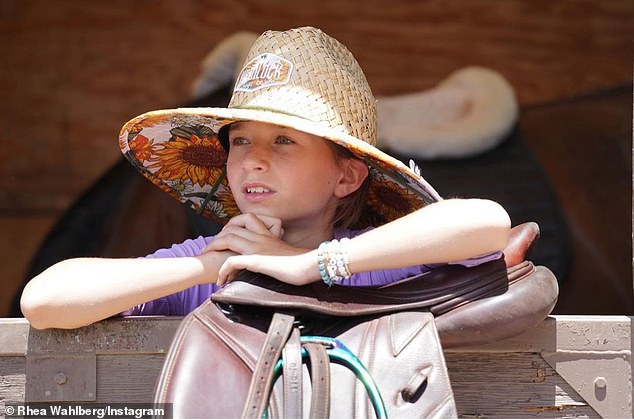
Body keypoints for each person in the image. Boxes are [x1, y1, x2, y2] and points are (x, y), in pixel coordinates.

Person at [20, 27, 510, 330]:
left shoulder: (375, 257)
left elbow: (488, 222)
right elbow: (44, 300)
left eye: (284, 141)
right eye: (239, 141)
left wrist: (314, 262)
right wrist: (213, 269)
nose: (253, 160)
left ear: (347, 176)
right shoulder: (207, 263)